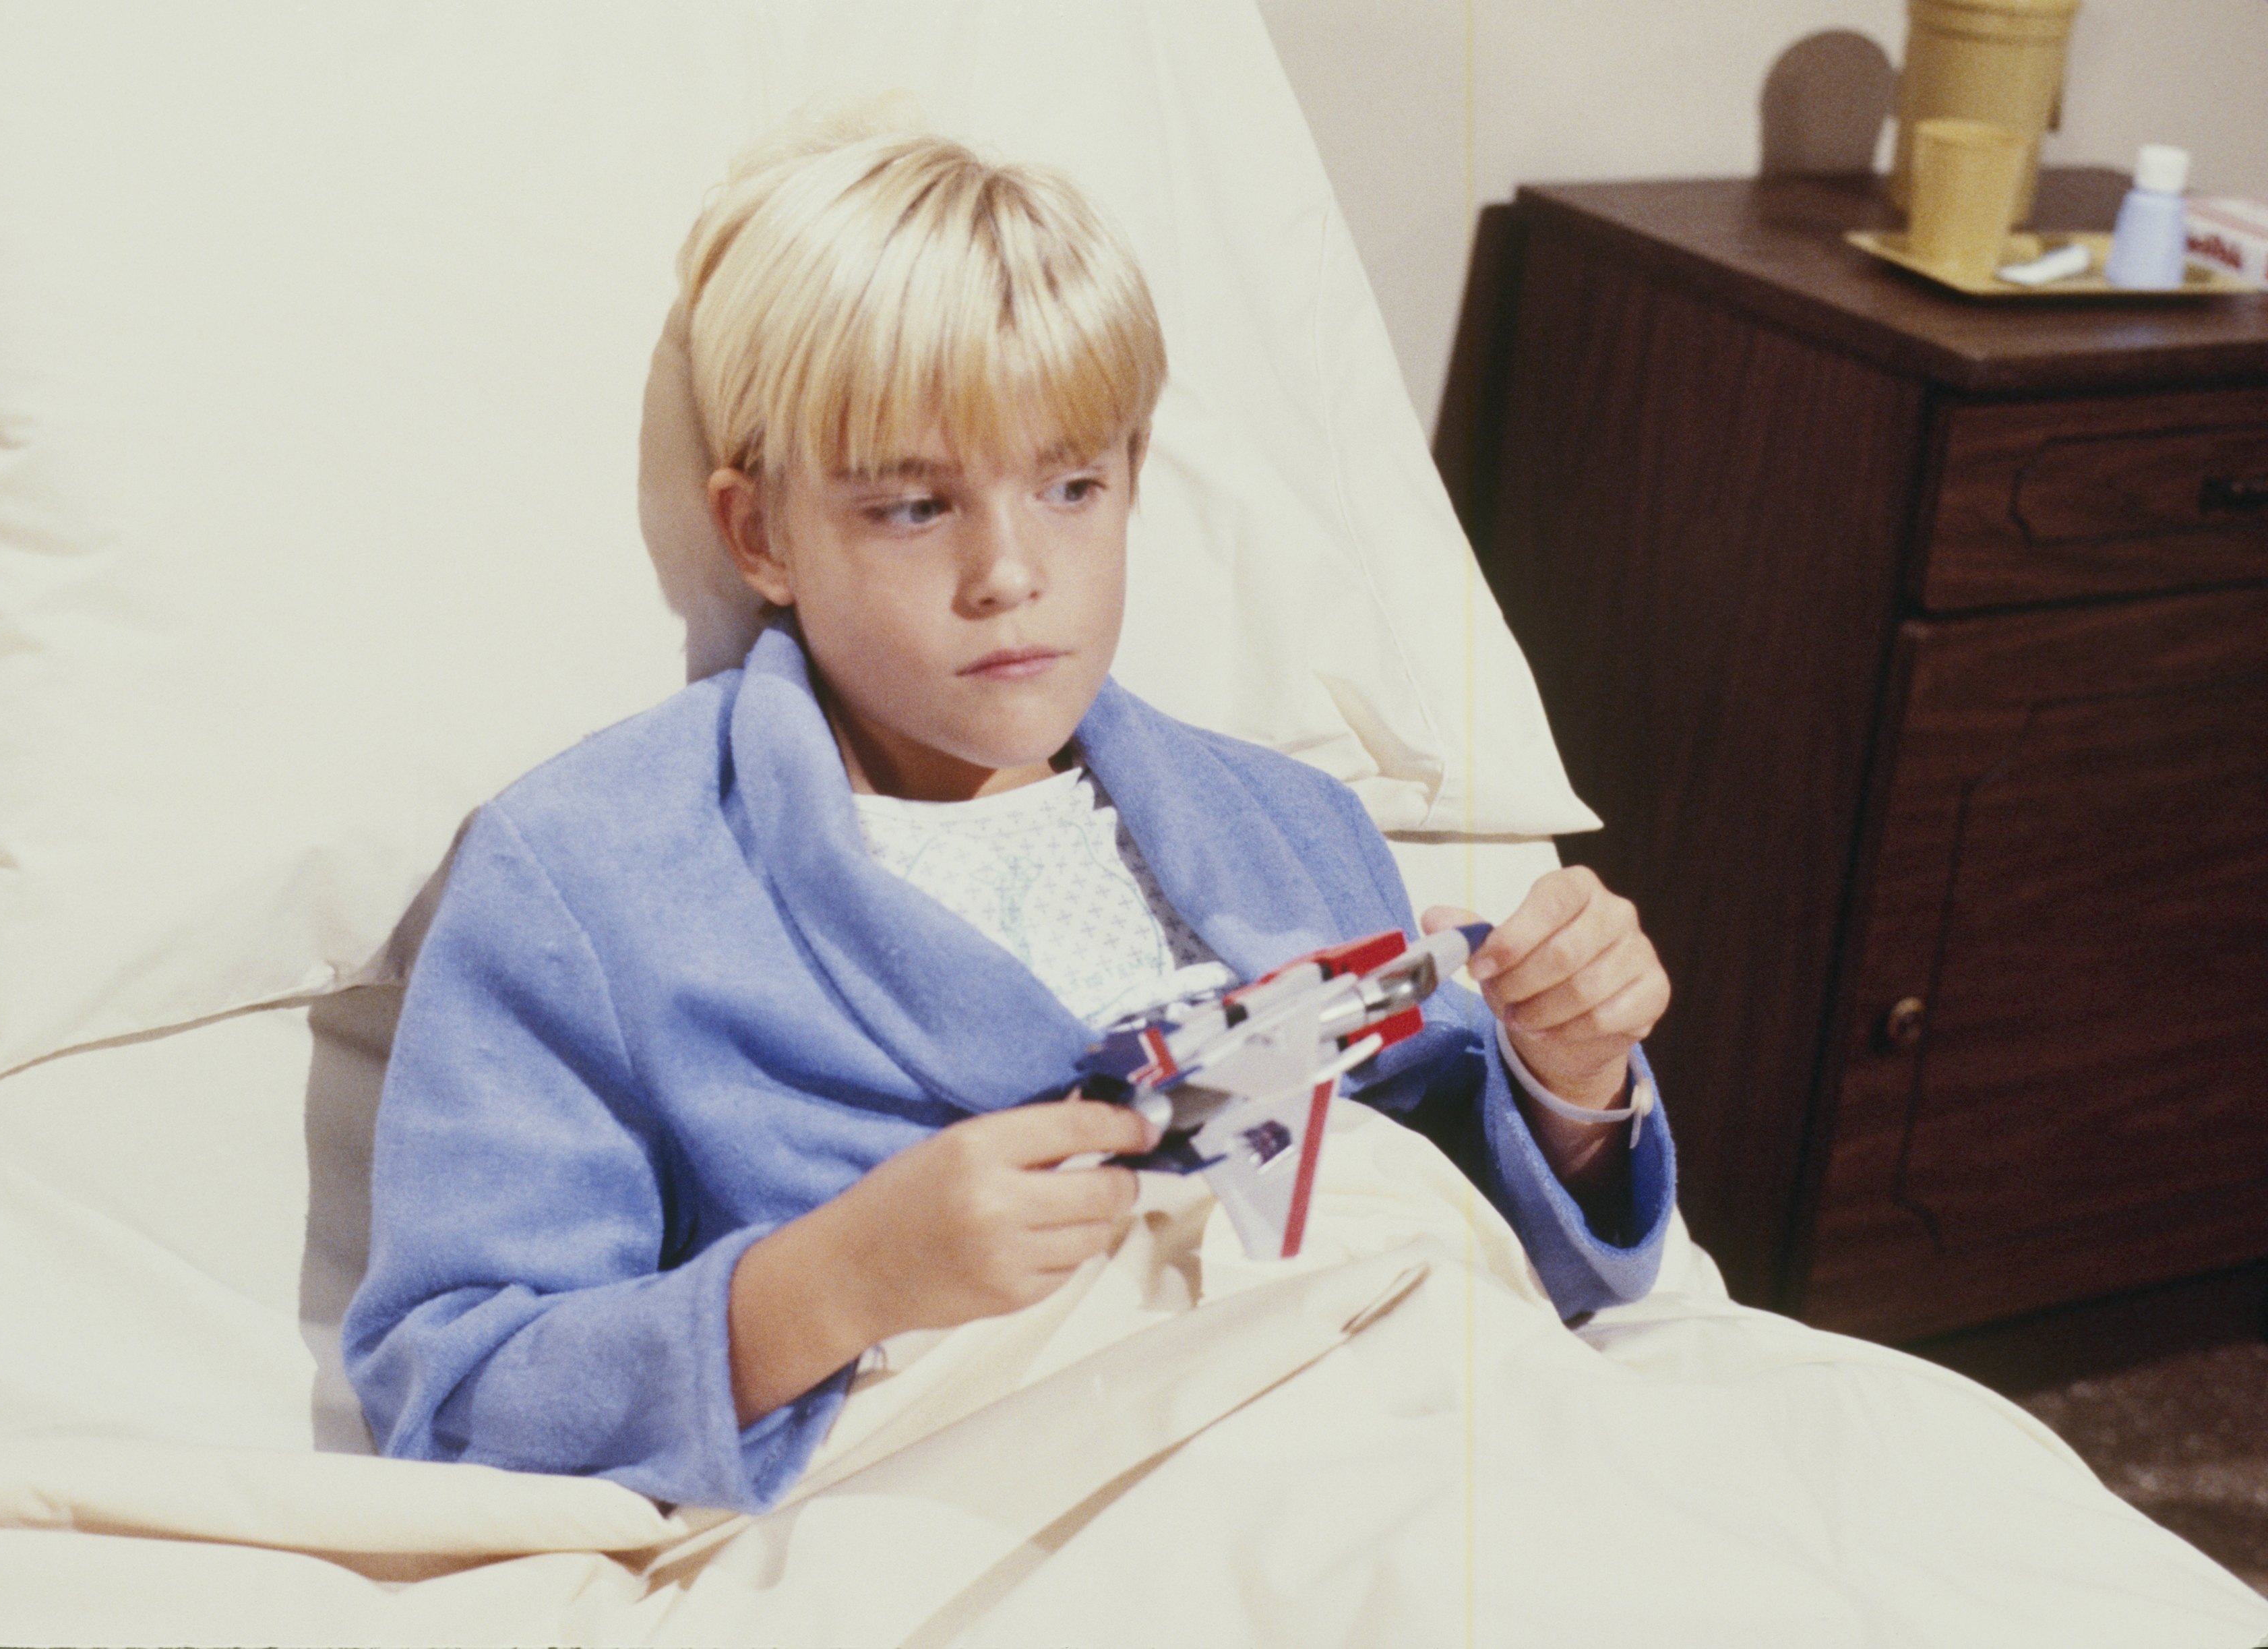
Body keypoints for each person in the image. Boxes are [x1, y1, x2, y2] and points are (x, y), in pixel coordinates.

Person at [342, 117, 1677, 1516]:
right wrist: (832, 1280)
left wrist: (1572, 1079)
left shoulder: (1283, 820)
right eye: (914, 506)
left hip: (1417, 1429)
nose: (1010, 571)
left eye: (1072, 486)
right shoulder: (593, 876)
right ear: (760, 537)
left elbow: (1519, 1252)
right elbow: (452, 1393)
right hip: (1030, 1490)